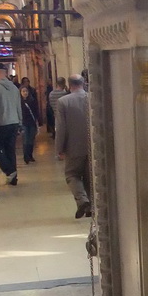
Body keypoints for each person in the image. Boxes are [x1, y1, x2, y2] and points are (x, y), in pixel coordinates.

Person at [55, 74, 91, 218]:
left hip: (73, 146)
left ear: (69, 85)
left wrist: (59, 149)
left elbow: (61, 127)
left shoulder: (63, 102)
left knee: (72, 174)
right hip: (92, 146)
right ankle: (90, 208)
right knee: (89, 177)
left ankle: (82, 201)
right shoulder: (92, 98)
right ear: (83, 84)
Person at [0, 62, 23, 185]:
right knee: (10, 150)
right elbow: (18, 106)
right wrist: (20, 122)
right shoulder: (14, 87)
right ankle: (13, 178)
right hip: (13, 122)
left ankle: (9, 171)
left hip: (0, 123)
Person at [20, 85, 39, 163]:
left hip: (32, 122)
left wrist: (37, 121)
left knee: (31, 139)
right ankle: (26, 156)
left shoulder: (32, 101)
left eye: (26, 91)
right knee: (25, 139)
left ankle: (30, 155)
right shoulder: (19, 102)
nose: (25, 93)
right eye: (23, 91)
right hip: (24, 123)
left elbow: (36, 112)